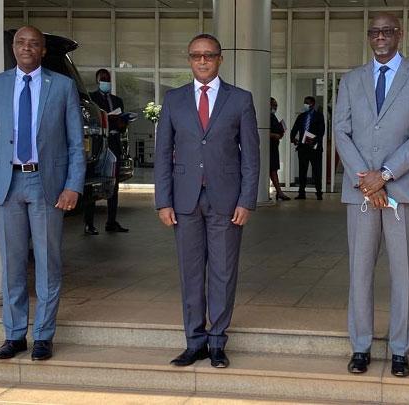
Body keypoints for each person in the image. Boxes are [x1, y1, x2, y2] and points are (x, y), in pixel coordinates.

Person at [334, 12, 409, 378]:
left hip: (402, 191)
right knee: (359, 271)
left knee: (402, 272)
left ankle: (399, 349)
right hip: (361, 192)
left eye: (388, 31)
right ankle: (360, 346)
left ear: (400, 35)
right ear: (369, 37)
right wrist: (367, 181)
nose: (381, 37)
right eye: (375, 32)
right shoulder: (351, 80)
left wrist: (386, 175)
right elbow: (341, 132)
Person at [0, 26, 85, 361]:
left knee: (48, 262)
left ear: (43, 50)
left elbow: (75, 144)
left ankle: (44, 336)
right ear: (13, 47)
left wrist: (73, 185)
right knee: (12, 263)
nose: (26, 48)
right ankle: (14, 334)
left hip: (45, 184)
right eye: (21, 43)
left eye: (33, 44)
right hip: (6, 185)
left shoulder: (62, 86)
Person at [154, 33, 259, 369]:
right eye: (196, 55)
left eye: (209, 55)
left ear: (220, 59)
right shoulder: (173, 100)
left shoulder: (240, 100)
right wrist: (162, 201)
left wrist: (247, 200)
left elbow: (251, 158)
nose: (202, 61)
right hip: (184, 201)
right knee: (190, 273)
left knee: (223, 272)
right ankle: (194, 341)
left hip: (226, 201)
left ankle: (217, 342)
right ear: (189, 59)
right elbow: (161, 156)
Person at [83, 68, 129, 235]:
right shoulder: (91, 99)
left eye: (108, 79)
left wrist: (122, 122)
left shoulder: (118, 100)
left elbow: (123, 127)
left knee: (113, 183)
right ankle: (89, 223)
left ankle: (111, 221)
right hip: (98, 144)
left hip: (114, 142)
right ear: (97, 81)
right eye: (103, 79)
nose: (106, 82)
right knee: (93, 181)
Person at [290, 96, 325, 200]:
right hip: (302, 147)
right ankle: (301, 192)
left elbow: (321, 131)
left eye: (307, 103)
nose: (305, 104)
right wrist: (293, 138)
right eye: (304, 102)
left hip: (315, 148)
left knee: (317, 170)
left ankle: (319, 192)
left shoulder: (319, 116)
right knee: (302, 171)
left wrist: (314, 141)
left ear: (312, 104)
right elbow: (295, 128)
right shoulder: (301, 116)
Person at [270, 97, 290, 201]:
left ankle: (279, 191)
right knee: (272, 169)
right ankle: (279, 192)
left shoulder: (273, 116)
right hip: (268, 147)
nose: (275, 108)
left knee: (273, 169)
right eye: (274, 105)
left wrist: (280, 133)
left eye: (276, 106)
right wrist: (274, 135)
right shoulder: (266, 116)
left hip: (273, 146)